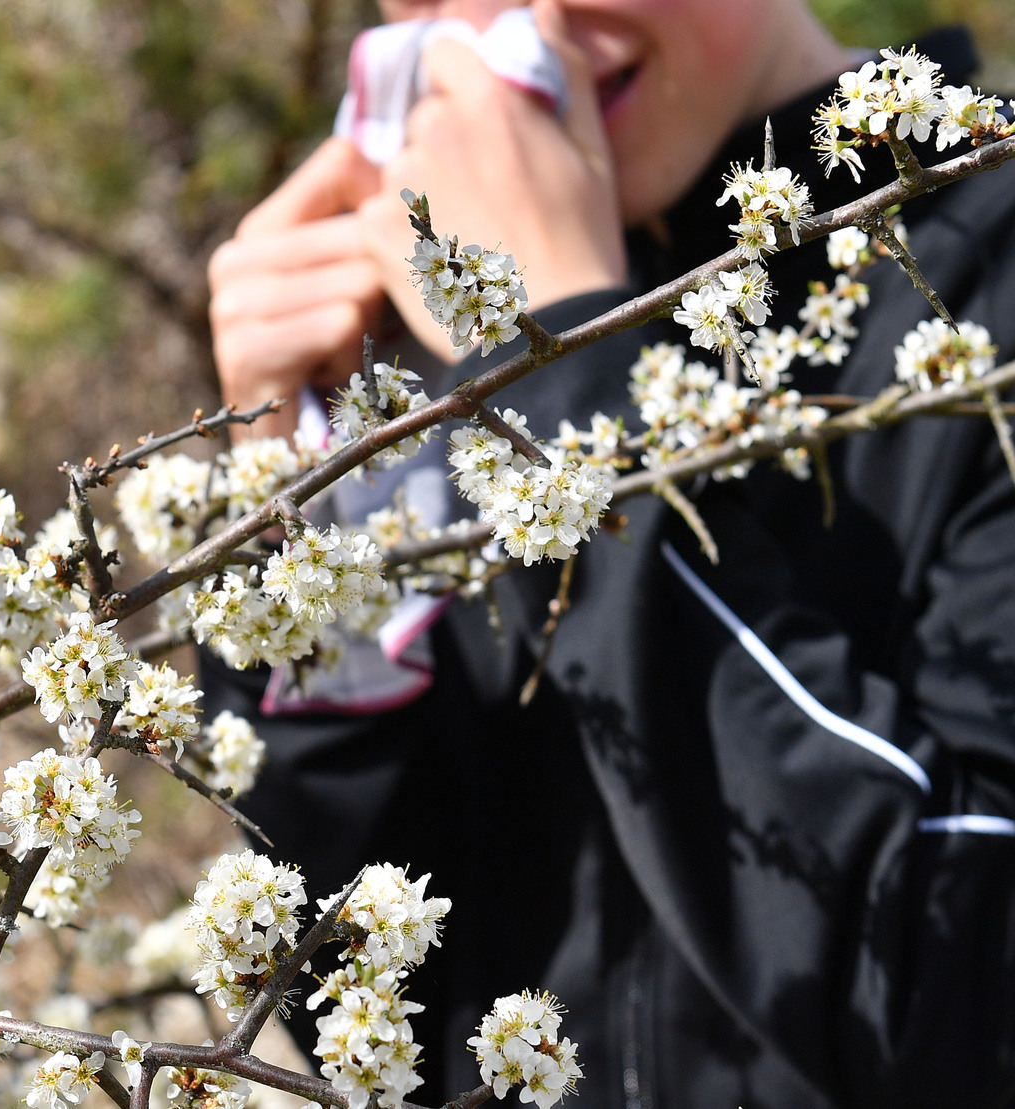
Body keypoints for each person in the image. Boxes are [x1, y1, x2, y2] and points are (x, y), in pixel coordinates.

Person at [199, 2, 1015, 1107]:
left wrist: (563, 385)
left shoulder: (988, 262)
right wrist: (299, 496)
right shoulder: (435, 347)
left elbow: (963, 992)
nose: (519, 23)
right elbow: (381, 1012)